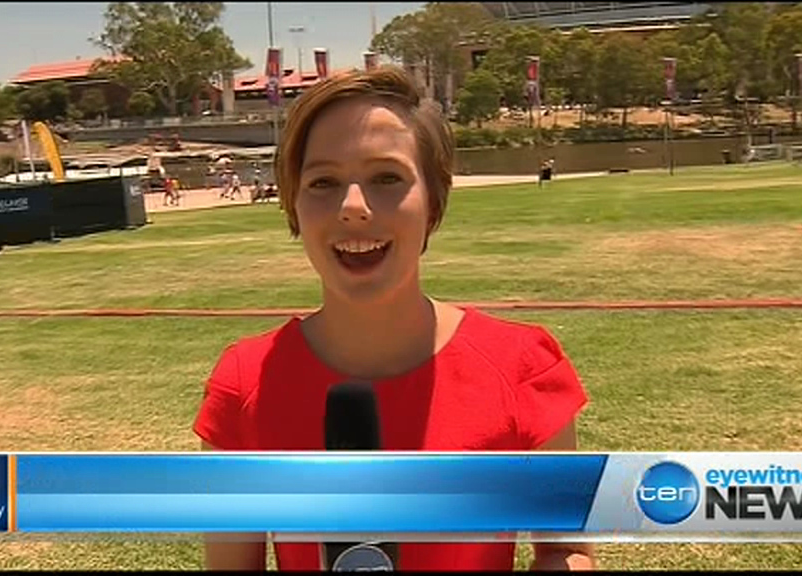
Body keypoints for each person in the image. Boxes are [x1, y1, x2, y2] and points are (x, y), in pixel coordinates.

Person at [193, 66, 594, 571]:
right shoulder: (244, 383)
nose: (352, 207)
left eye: (386, 178)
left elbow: (565, 550)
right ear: (294, 205)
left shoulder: (524, 367)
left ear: (433, 202)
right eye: (323, 182)